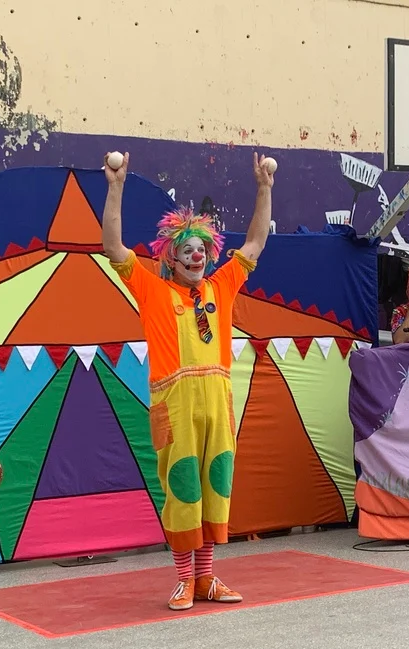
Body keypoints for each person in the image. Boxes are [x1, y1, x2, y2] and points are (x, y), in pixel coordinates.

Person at [101, 150, 274, 610]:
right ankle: (183, 580)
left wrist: (264, 189)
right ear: (172, 257)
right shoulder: (152, 290)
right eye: (188, 251)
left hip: (217, 399)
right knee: (183, 488)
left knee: (216, 485)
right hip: (174, 403)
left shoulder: (222, 286)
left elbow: (255, 243)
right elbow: (113, 247)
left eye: (202, 250)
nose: (197, 256)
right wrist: (115, 188)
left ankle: (206, 579)